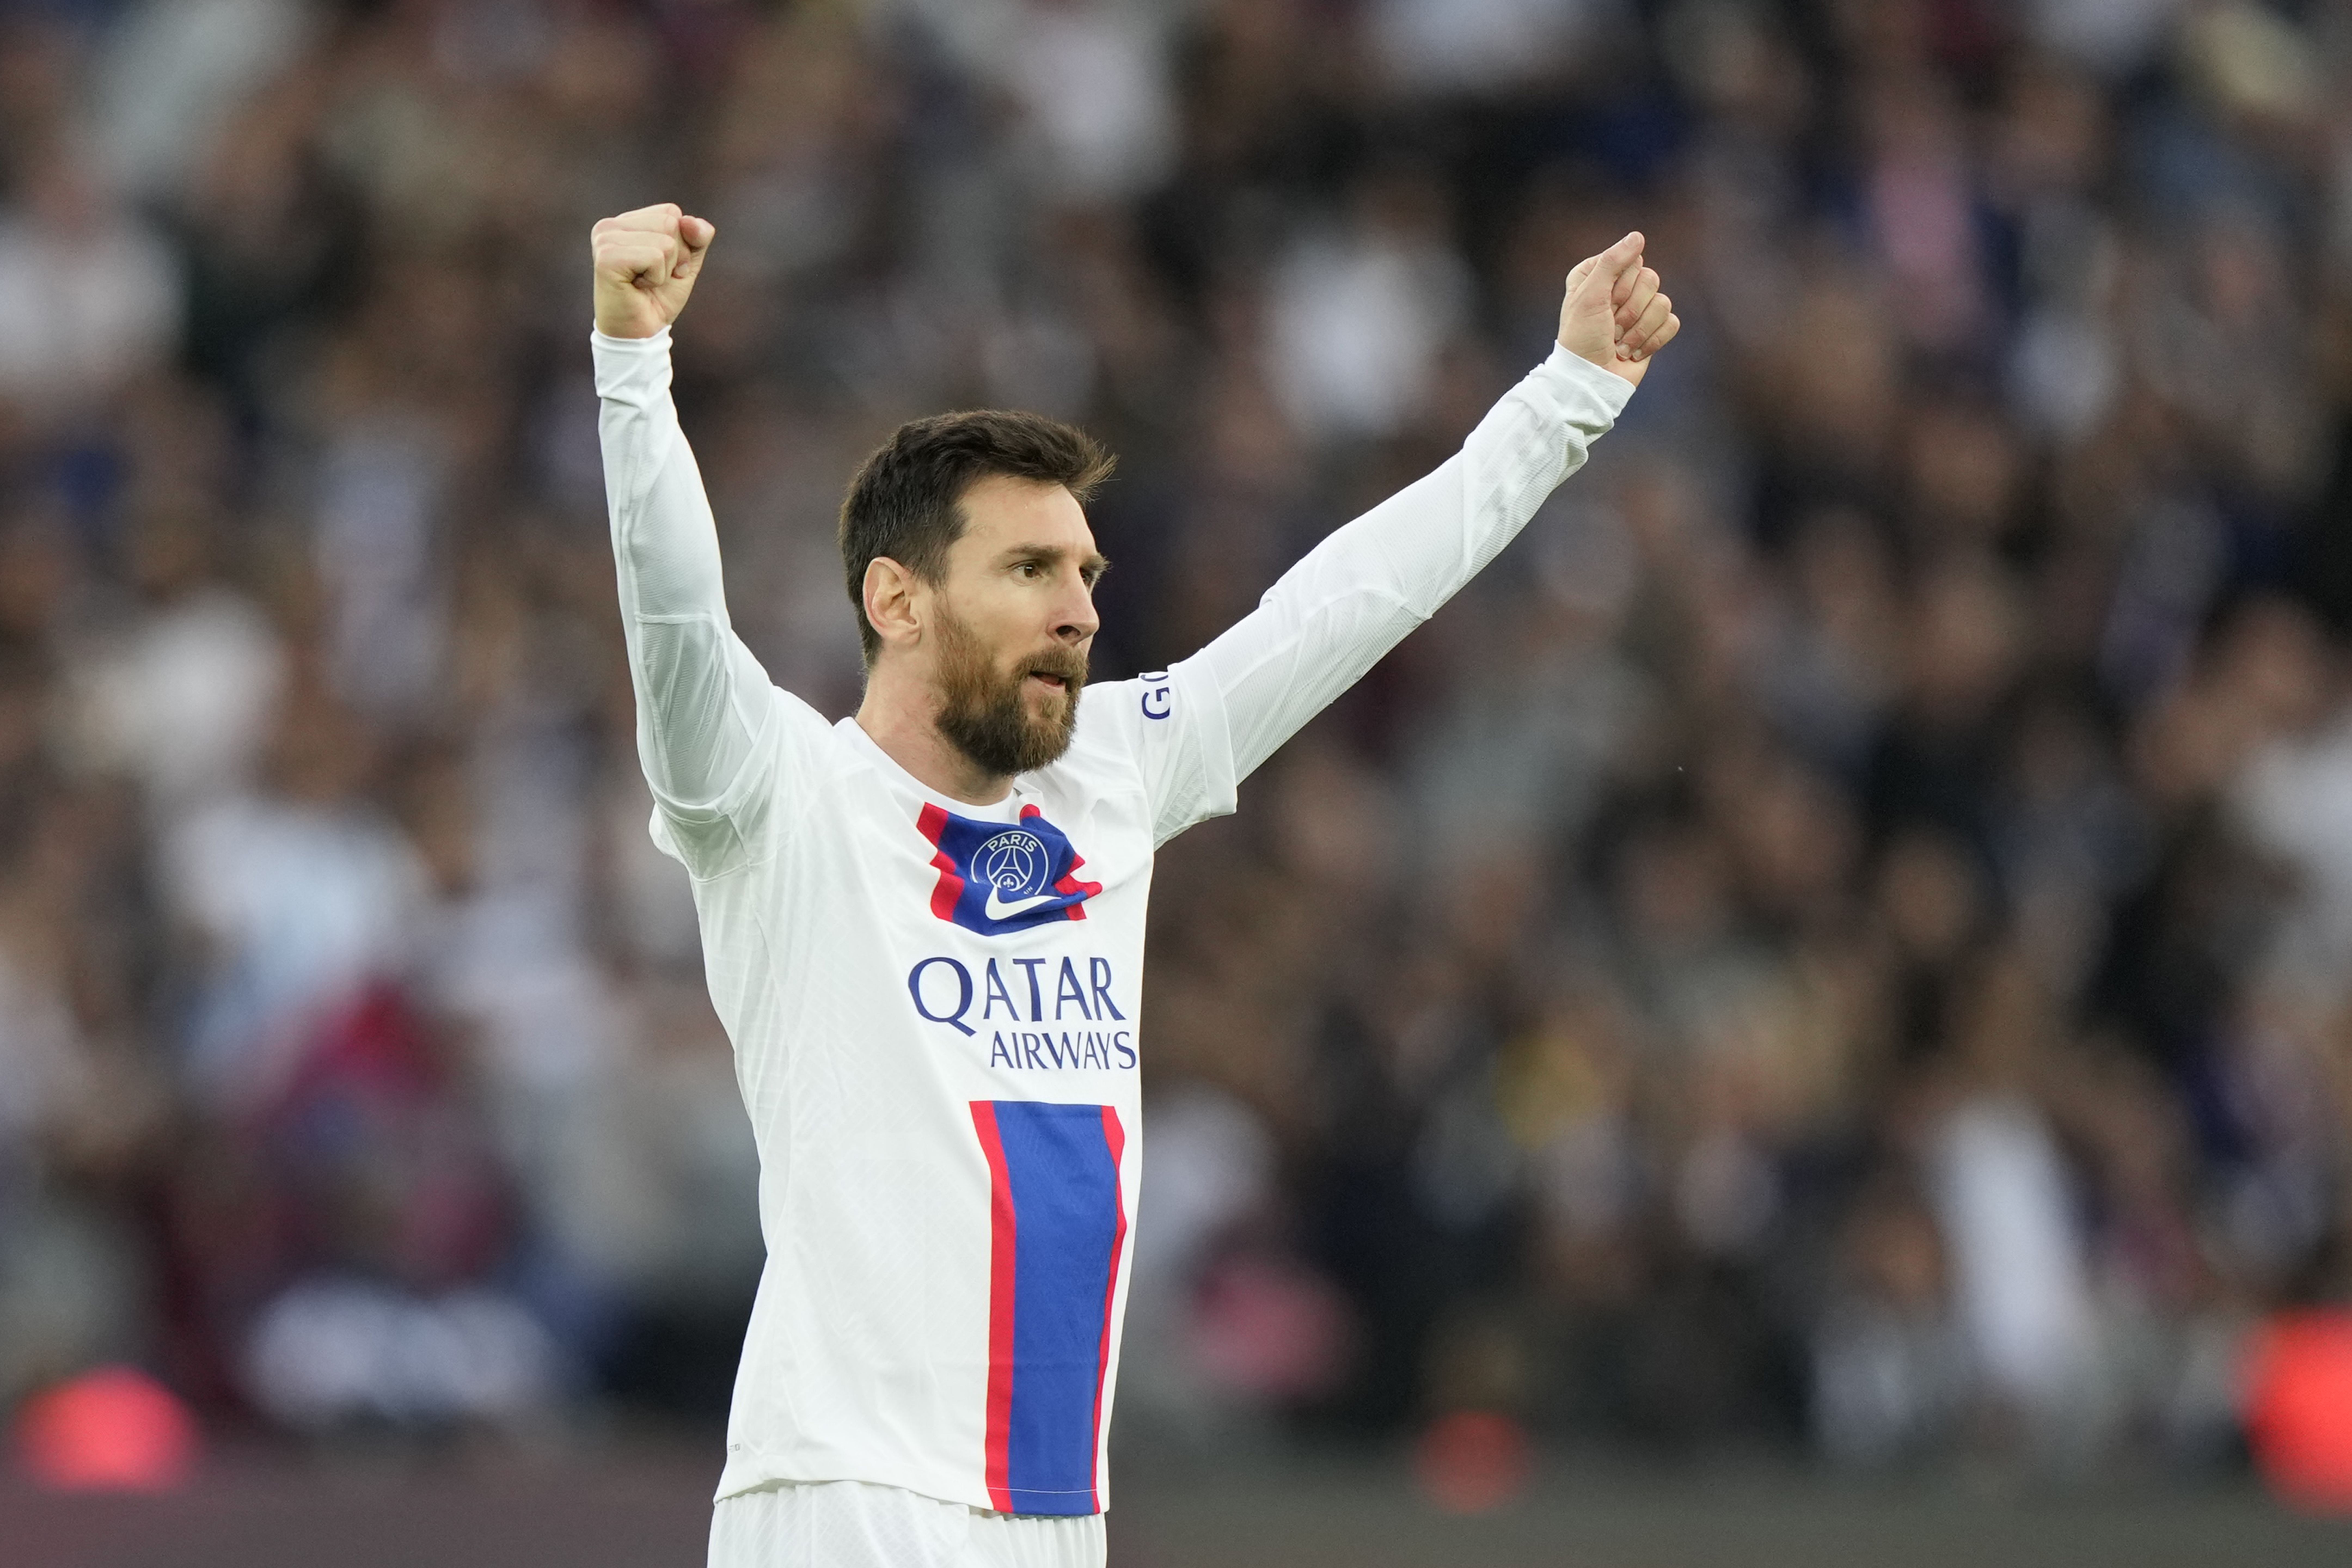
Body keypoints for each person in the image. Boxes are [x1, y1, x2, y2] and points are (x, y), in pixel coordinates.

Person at [590, 201, 1677, 1568]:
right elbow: (676, 618)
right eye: (1031, 570)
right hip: (847, 1500)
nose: (1082, 611)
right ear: (896, 600)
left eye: (1089, 574)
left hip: (1057, 1515)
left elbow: (1351, 603)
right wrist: (634, 365)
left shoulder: (1110, 778)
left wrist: (1567, 394)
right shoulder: (775, 800)